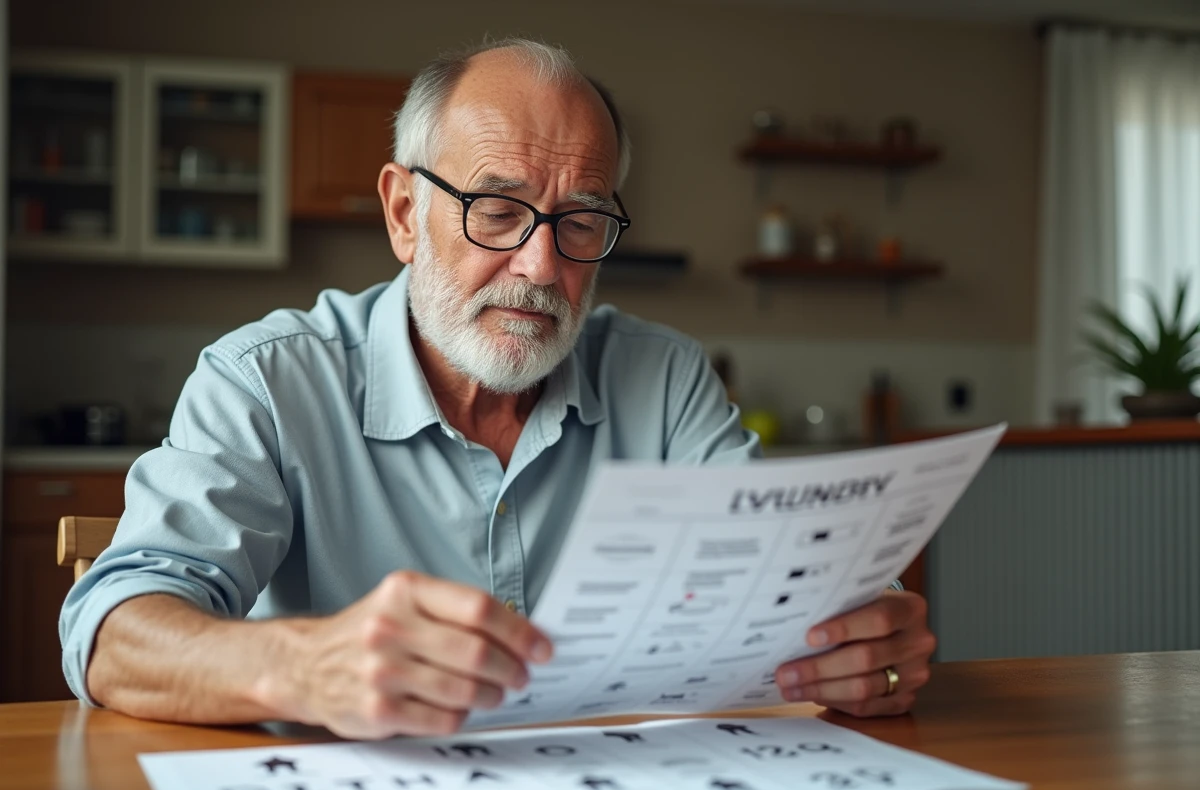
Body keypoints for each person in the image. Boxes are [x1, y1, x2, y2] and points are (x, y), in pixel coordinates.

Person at [59, 38, 935, 740]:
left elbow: (789, 578)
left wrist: (866, 632)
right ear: (406, 214)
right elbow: (111, 635)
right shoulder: (266, 380)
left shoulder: (664, 378)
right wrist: (302, 665)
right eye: (498, 209)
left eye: (581, 219)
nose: (541, 266)